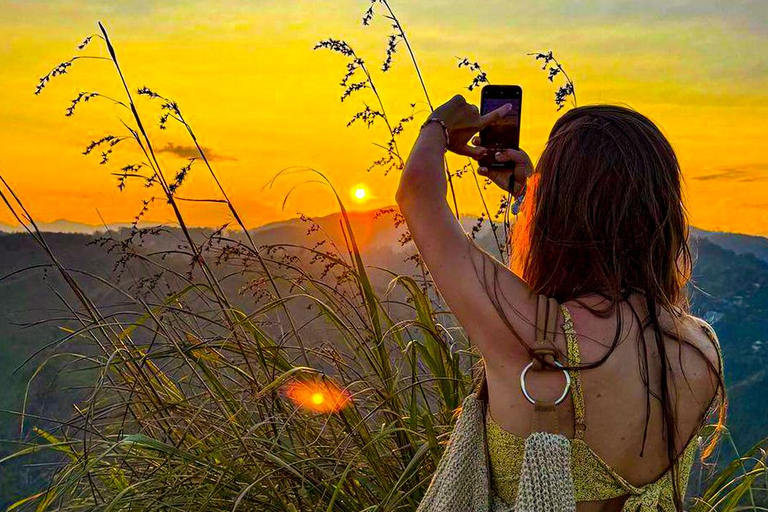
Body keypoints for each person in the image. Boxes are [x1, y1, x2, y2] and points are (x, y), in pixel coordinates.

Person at [395, 95, 725, 512]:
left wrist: (439, 126)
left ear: (558, 210)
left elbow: (417, 195)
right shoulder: (701, 350)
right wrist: (530, 194)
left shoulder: (531, 336)